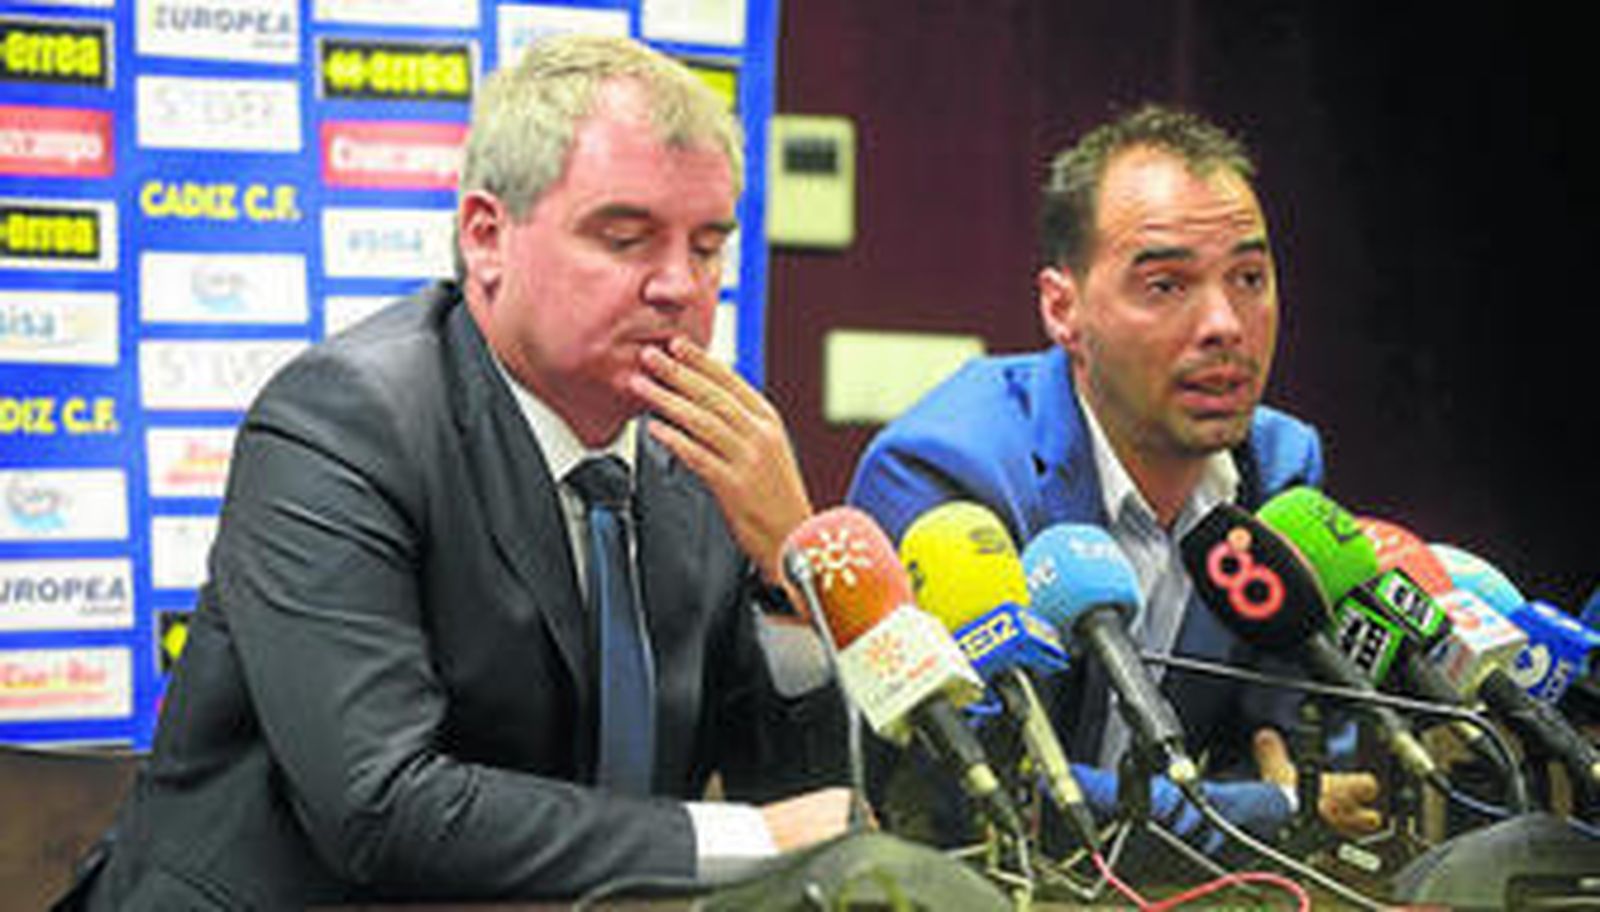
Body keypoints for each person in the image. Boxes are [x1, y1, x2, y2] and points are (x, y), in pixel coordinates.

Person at [70, 34, 850, 909]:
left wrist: (800, 570)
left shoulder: (701, 447)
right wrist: (746, 837)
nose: (678, 286)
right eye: (626, 238)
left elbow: (823, 806)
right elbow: (381, 805)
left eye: (708, 248)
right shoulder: (343, 423)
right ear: (487, 237)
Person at [847, 104, 1380, 846]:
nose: (1225, 323)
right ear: (1062, 309)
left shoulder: (1280, 469)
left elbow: (1311, 754)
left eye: (1251, 278)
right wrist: (1265, 810)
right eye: (1167, 286)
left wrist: (1283, 790)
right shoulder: (947, 474)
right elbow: (984, 787)